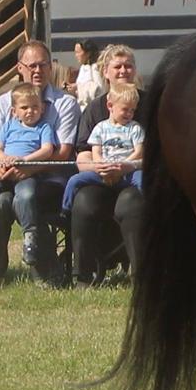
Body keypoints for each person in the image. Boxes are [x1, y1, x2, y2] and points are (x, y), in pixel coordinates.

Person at [0, 40, 79, 287]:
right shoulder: (1, 104)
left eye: (42, 65)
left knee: (18, 200)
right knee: (1, 199)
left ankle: (45, 274)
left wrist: (27, 169)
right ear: (20, 68)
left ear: (51, 67)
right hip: (9, 174)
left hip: (51, 177)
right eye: (31, 66)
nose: (37, 71)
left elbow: (62, 154)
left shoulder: (65, 104)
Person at [69, 43, 145, 285]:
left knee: (130, 204)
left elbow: (159, 151)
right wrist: (98, 167)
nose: (123, 70)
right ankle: (84, 275)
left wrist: (128, 166)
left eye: (128, 65)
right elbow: (82, 154)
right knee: (83, 203)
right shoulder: (94, 109)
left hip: (134, 176)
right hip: (100, 176)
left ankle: (140, 275)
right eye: (117, 66)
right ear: (106, 72)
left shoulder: (150, 104)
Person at [0, 83, 56, 273]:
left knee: (26, 197)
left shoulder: (44, 127)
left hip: (26, 173)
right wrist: (3, 159)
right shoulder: (8, 126)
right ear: (14, 111)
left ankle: (30, 239)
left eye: (35, 107)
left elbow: (47, 150)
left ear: (42, 108)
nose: (30, 111)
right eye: (24, 108)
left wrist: (25, 160)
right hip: (4, 172)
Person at [61, 82, 142, 214]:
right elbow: (96, 151)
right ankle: (65, 210)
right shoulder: (100, 128)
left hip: (126, 172)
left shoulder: (135, 128)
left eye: (132, 110)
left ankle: (152, 208)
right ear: (110, 106)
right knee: (74, 180)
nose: (129, 114)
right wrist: (100, 165)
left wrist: (125, 164)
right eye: (125, 109)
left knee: (142, 178)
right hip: (104, 172)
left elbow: (139, 152)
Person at [67, 39, 102, 108]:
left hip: (93, 108)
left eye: (78, 52)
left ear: (88, 53)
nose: (76, 55)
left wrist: (78, 88)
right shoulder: (83, 68)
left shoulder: (95, 69)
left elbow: (99, 89)